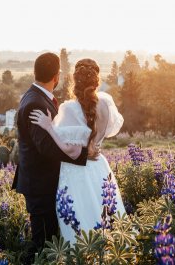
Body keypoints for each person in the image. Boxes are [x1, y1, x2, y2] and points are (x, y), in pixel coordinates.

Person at [28, 58, 126, 243]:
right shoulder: (105, 103)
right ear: (97, 80)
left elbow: (71, 151)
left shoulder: (69, 108)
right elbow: (104, 134)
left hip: (77, 172)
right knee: (105, 215)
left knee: (79, 221)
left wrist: (49, 127)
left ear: (74, 80)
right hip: (100, 168)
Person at [12, 52, 92, 263]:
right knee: (42, 243)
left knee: (48, 239)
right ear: (56, 76)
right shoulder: (35, 103)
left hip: (44, 182)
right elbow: (45, 147)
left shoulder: (36, 97)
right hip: (40, 184)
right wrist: (83, 154)